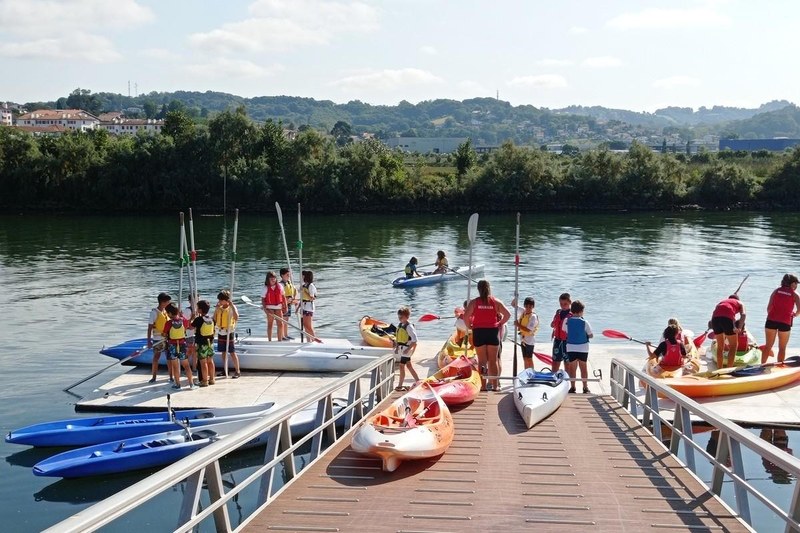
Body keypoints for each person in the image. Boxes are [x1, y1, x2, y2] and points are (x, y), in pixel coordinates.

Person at [463, 279, 511, 392]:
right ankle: (495, 386)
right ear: (489, 288)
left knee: (482, 361)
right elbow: (508, 315)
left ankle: (483, 386)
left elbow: (466, 317)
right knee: (493, 361)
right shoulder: (496, 302)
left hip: (479, 332)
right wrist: (500, 323)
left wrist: (469, 325)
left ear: (478, 289)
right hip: (492, 332)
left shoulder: (474, 302)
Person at [763, 273, 800, 363]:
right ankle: (779, 366)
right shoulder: (795, 294)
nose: (796, 286)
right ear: (792, 284)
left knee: (768, 346)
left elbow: (768, 308)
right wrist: (795, 314)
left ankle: (762, 365)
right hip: (785, 322)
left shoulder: (776, 291)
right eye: (796, 284)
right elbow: (799, 310)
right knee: (782, 347)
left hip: (771, 320)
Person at [562, 300, 593, 394]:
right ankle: (585, 387)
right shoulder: (585, 322)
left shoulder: (567, 321)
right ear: (581, 311)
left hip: (571, 347)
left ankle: (573, 387)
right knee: (583, 367)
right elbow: (591, 335)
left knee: (572, 368)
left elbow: (565, 330)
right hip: (583, 347)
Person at [162, 303, 195, 390]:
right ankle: (191, 384)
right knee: (186, 366)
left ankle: (177, 384)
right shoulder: (184, 320)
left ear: (169, 313)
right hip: (182, 345)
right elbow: (187, 326)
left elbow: (164, 334)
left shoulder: (168, 323)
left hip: (172, 346)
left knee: (175, 366)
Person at [710, 294, 746, 369]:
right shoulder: (740, 303)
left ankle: (719, 369)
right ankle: (729, 370)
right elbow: (743, 314)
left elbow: (715, 316)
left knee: (720, 346)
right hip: (726, 319)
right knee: (733, 346)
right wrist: (739, 328)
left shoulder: (722, 302)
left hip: (715, 320)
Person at [214, 290, 241, 378]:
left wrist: (232, 306)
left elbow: (236, 317)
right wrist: (216, 309)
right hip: (221, 332)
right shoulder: (219, 308)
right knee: (223, 352)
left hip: (229, 332)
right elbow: (214, 319)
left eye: (221, 300)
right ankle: (225, 369)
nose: (219, 302)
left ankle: (237, 371)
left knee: (232, 352)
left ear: (226, 300)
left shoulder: (231, 308)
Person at [393, 306, 420, 391]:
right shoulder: (401, 325)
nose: (399, 319)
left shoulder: (409, 326)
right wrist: (397, 347)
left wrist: (408, 349)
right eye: (399, 317)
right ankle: (418, 381)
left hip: (407, 349)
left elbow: (415, 340)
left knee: (401, 366)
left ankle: (400, 385)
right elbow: (398, 338)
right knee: (409, 366)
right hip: (402, 349)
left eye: (401, 317)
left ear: (407, 317)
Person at [147, 292, 171, 383]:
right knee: (156, 357)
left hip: (167, 339)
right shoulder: (154, 312)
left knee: (169, 357)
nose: (169, 303)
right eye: (167, 301)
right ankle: (154, 377)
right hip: (158, 339)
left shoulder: (165, 312)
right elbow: (149, 328)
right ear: (162, 302)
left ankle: (171, 376)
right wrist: (149, 341)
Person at [191, 299, 216, 387]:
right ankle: (212, 379)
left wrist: (192, 318)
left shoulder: (198, 319)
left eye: (197, 308)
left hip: (202, 344)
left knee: (203, 362)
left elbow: (190, 327)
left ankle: (204, 381)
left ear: (200, 310)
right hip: (210, 343)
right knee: (210, 361)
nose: (197, 309)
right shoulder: (212, 319)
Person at [512, 296, 539, 370]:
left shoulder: (533, 317)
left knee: (529, 358)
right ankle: (526, 372)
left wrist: (518, 325)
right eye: (526, 306)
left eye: (530, 306)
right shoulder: (523, 312)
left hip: (530, 341)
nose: (528, 308)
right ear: (524, 306)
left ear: (533, 307)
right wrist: (516, 296)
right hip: (523, 340)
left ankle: (532, 373)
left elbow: (528, 330)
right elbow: (513, 304)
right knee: (525, 359)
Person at [550, 293, 572, 374]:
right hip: (557, 340)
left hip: (567, 341)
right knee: (555, 361)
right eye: (561, 304)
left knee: (567, 362)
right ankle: (553, 376)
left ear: (570, 302)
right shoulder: (558, 313)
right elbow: (553, 324)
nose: (563, 306)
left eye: (565, 304)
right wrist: (552, 324)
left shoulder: (572, 315)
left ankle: (567, 380)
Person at [261, 271, 286, 342]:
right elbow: (263, 300)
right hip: (269, 308)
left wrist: (285, 306)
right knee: (270, 324)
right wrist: (265, 310)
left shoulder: (280, 286)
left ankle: (279, 340)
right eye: (271, 278)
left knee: (280, 324)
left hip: (278, 307)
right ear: (268, 279)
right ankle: (269, 340)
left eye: (274, 278)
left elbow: (283, 297)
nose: (273, 280)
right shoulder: (265, 288)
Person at [298, 270, 319, 341]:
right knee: (304, 324)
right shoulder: (304, 286)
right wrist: (298, 307)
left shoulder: (311, 286)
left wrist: (304, 291)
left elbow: (312, 298)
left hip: (309, 307)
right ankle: (308, 340)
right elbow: (302, 298)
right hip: (304, 306)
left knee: (308, 325)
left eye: (303, 276)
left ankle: (314, 340)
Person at [184, 294, 199, 383]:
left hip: (196, 334)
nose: (195, 302)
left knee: (195, 352)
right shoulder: (187, 310)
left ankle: (194, 368)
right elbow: (185, 324)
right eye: (193, 300)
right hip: (189, 334)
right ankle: (185, 366)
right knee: (190, 351)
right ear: (190, 301)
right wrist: (192, 318)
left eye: (197, 299)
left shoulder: (199, 310)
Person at [279, 267, 297, 341]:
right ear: (282, 275)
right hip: (283, 304)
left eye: (289, 274)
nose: (288, 275)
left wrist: (294, 300)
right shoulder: (281, 285)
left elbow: (294, 291)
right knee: (283, 320)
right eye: (287, 274)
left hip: (289, 303)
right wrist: (286, 301)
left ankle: (286, 334)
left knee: (286, 320)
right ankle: (282, 335)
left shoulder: (289, 283)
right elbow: (279, 296)